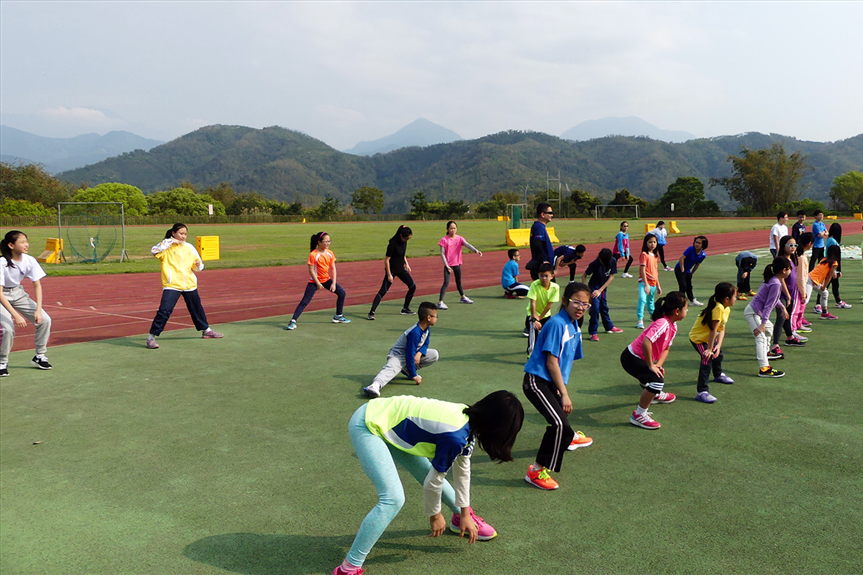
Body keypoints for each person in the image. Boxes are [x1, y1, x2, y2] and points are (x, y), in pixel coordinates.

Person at [333, 391, 524, 575]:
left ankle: (459, 519)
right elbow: (434, 481)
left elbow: (463, 471)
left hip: (393, 425)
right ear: (497, 428)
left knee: (426, 475)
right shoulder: (455, 435)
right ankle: (347, 568)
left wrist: (465, 512)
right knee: (393, 498)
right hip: (369, 423)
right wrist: (435, 514)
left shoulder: (468, 422)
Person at [523, 282, 593, 490]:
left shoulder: (574, 325)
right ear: (564, 301)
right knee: (559, 424)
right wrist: (564, 393)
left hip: (551, 381)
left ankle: (569, 437)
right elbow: (551, 362)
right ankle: (536, 471)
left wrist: (560, 389)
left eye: (585, 304)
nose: (581, 307)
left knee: (562, 419)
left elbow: (568, 359)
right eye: (577, 302)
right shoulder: (556, 324)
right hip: (536, 381)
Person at [146, 223, 223, 349]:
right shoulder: (166, 248)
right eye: (181, 234)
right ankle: (151, 337)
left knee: (196, 308)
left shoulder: (189, 247)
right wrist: (168, 242)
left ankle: (206, 330)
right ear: (173, 233)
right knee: (165, 310)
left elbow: (198, 267)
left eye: (185, 234)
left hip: (189, 284)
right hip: (172, 284)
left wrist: (198, 265)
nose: (183, 236)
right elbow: (154, 251)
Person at [621, 292, 687, 430]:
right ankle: (639, 415)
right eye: (686, 308)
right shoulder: (663, 323)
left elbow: (666, 349)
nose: (687, 311)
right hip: (631, 358)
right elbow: (646, 342)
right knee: (657, 381)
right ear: (677, 311)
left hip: (641, 359)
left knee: (654, 376)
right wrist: (651, 365)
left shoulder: (673, 326)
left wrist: (657, 365)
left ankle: (655, 395)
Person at [0, 231, 53, 376]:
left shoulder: (29, 260)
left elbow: (37, 285)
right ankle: (2, 362)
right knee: (8, 329)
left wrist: (38, 309)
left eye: (26, 241)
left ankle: (39, 356)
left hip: (18, 293)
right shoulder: (2, 263)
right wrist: (15, 315)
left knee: (45, 320)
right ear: (11, 245)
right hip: (1, 296)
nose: (26, 244)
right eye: (22, 242)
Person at [363, 302, 439, 398]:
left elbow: (425, 344)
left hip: (410, 354)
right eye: (436, 316)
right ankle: (374, 386)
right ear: (428, 317)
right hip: (397, 355)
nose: (436, 318)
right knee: (391, 369)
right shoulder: (415, 332)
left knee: (434, 354)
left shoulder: (426, 329)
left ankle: (406, 369)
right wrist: (414, 375)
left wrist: (419, 353)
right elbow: (409, 354)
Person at [285, 232, 350, 330]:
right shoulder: (313, 254)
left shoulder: (330, 253)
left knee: (342, 293)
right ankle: (293, 321)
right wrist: (318, 283)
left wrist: (333, 283)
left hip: (326, 280)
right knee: (305, 301)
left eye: (329, 241)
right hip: (314, 281)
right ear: (319, 242)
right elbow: (311, 271)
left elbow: (333, 268)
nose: (328, 243)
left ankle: (338, 316)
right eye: (326, 241)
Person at [688, 282, 737, 404]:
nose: (736, 298)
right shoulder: (718, 308)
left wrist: (718, 346)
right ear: (727, 299)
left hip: (709, 338)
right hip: (698, 338)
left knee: (718, 354)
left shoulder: (726, 308)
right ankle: (702, 391)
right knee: (707, 358)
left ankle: (718, 374)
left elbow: (722, 328)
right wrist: (709, 349)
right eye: (735, 296)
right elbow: (712, 330)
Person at [743, 258, 792, 377]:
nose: (790, 271)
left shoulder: (774, 280)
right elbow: (769, 305)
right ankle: (764, 368)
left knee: (769, 330)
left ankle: (765, 353)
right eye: (790, 269)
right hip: (753, 313)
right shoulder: (775, 283)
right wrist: (763, 324)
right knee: (760, 338)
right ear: (784, 270)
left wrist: (782, 307)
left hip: (757, 312)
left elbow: (772, 299)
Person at [368, 225, 416, 320]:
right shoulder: (392, 244)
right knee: (383, 291)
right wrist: (389, 274)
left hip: (401, 269)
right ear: (401, 235)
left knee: (412, 286)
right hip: (392, 269)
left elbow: (403, 254)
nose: (407, 240)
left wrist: (407, 264)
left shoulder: (404, 242)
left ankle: (405, 308)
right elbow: (386, 260)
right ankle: (371, 312)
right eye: (406, 238)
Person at [769, 235, 805, 357]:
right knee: (781, 318)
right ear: (783, 246)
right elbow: (782, 280)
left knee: (787, 317)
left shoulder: (792, 259)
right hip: (782, 294)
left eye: (795, 245)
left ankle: (789, 337)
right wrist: (787, 295)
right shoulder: (781, 260)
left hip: (791, 294)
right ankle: (775, 346)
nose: (793, 247)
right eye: (790, 245)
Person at [437, 221, 482, 310]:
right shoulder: (444, 240)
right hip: (448, 265)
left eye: (454, 228)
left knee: (459, 282)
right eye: (451, 228)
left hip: (457, 263)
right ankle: (440, 302)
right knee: (446, 282)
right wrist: (447, 265)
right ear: (447, 229)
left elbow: (467, 245)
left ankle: (463, 297)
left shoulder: (459, 238)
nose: (453, 230)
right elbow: (442, 254)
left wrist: (475, 250)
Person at [581, 248, 623, 341]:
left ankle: (609, 326)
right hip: (593, 288)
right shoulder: (595, 263)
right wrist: (586, 290)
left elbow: (611, 277)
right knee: (595, 309)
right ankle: (593, 333)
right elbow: (584, 275)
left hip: (602, 288)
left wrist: (600, 290)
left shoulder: (612, 261)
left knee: (604, 307)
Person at [524, 263, 560, 356]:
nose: (543, 278)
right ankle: (531, 355)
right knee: (533, 336)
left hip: (545, 315)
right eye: (541, 276)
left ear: (552, 276)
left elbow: (549, 305)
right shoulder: (534, 285)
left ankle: (547, 353)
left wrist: (541, 317)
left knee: (547, 335)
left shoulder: (555, 287)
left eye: (546, 276)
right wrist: (534, 318)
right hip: (533, 313)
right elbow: (533, 302)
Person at [635, 234, 662, 329]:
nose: (652, 244)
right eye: (650, 242)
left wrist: (658, 285)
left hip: (653, 283)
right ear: (646, 243)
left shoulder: (655, 256)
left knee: (650, 302)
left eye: (654, 242)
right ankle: (640, 319)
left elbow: (655, 271)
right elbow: (642, 270)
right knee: (642, 299)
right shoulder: (644, 255)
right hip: (644, 282)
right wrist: (646, 284)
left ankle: (654, 316)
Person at [791, 233, 815, 337]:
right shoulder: (800, 258)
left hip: (802, 284)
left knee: (801, 307)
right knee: (795, 309)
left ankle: (799, 324)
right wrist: (803, 291)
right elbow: (800, 276)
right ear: (809, 244)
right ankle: (792, 330)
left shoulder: (802, 255)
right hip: (798, 287)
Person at [674, 235, 708, 306]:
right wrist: (682, 270)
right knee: (683, 286)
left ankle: (692, 300)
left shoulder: (703, 255)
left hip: (688, 271)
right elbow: (681, 258)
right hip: (679, 269)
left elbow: (697, 264)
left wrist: (691, 273)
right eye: (696, 242)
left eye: (699, 243)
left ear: (703, 245)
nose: (697, 244)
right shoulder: (690, 249)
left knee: (689, 286)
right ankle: (681, 302)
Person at [809, 245, 841, 320]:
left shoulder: (824, 259)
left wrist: (823, 285)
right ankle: (798, 316)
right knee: (805, 299)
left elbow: (823, 274)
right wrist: (824, 286)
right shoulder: (834, 263)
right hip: (811, 280)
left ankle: (824, 313)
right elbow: (829, 276)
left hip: (811, 278)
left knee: (825, 293)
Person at [825, 223, 851, 309]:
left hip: (832, 266)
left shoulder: (831, 240)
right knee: (825, 286)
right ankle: (818, 304)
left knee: (835, 285)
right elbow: (833, 256)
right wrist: (835, 270)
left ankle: (838, 301)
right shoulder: (832, 241)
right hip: (831, 266)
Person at [526, 202, 555, 280]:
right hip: (543, 268)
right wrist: (543, 260)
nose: (552, 215)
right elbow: (537, 243)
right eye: (550, 213)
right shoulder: (539, 226)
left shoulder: (540, 226)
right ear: (543, 214)